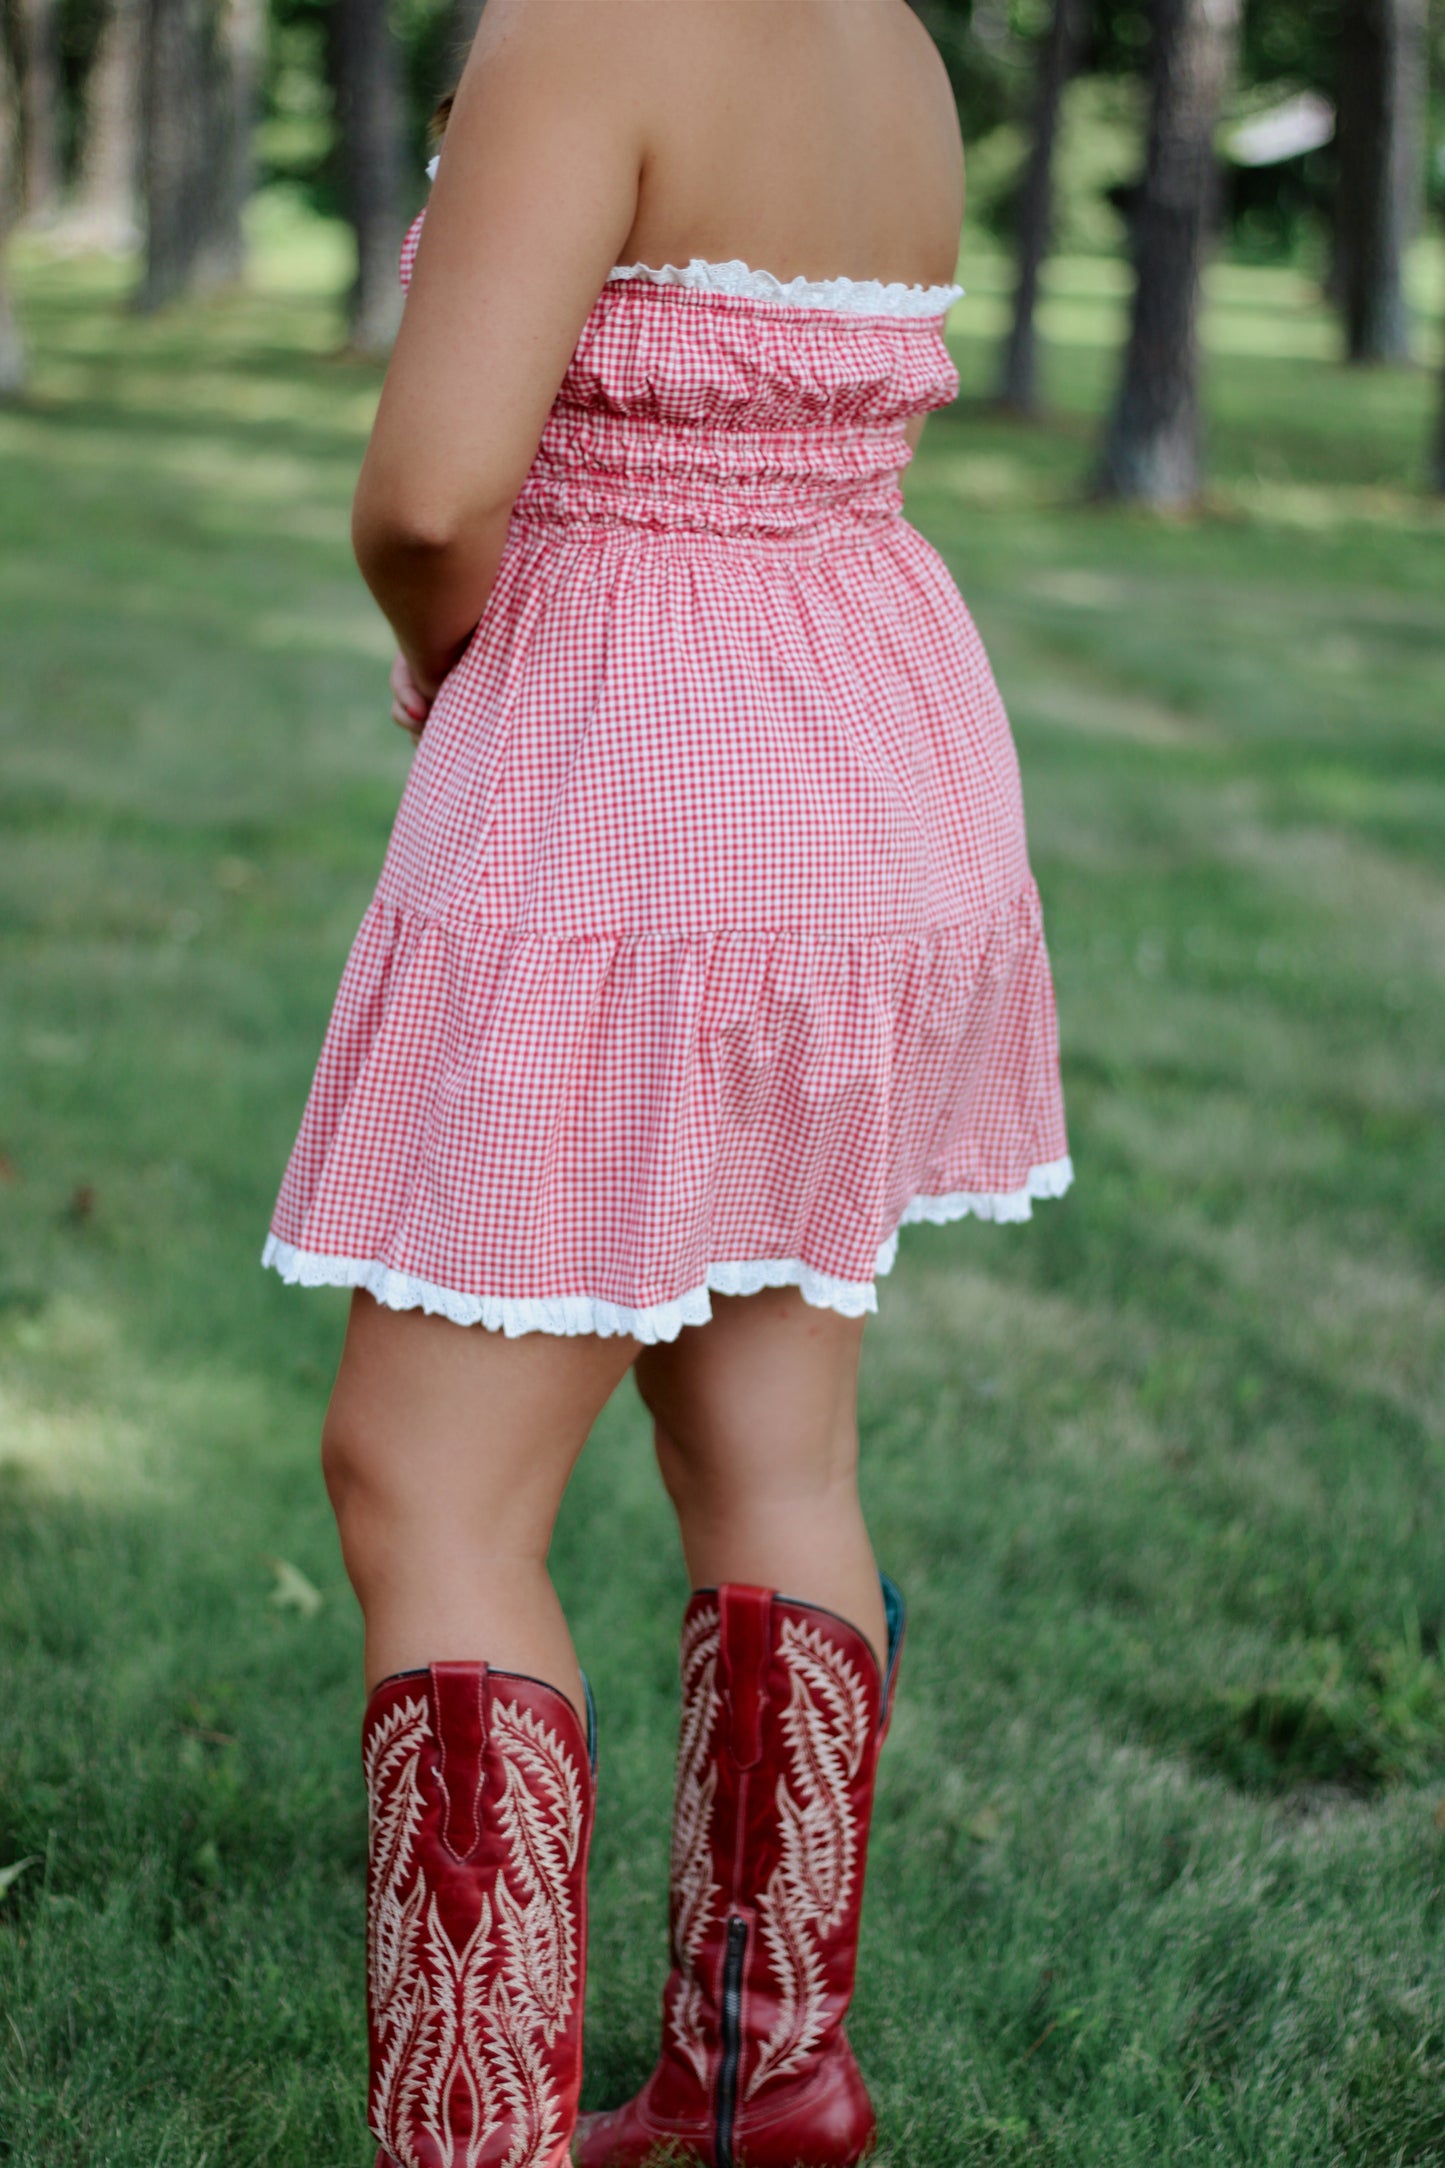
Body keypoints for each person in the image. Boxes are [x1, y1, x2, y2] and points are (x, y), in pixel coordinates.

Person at [262, 2, 1070, 2162]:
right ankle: (765, 2078)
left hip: (634, 788)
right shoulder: (886, 38)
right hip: (875, 767)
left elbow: (436, 493)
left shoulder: (590, 25)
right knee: (773, 1446)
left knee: (424, 1480)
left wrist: (445, 658)